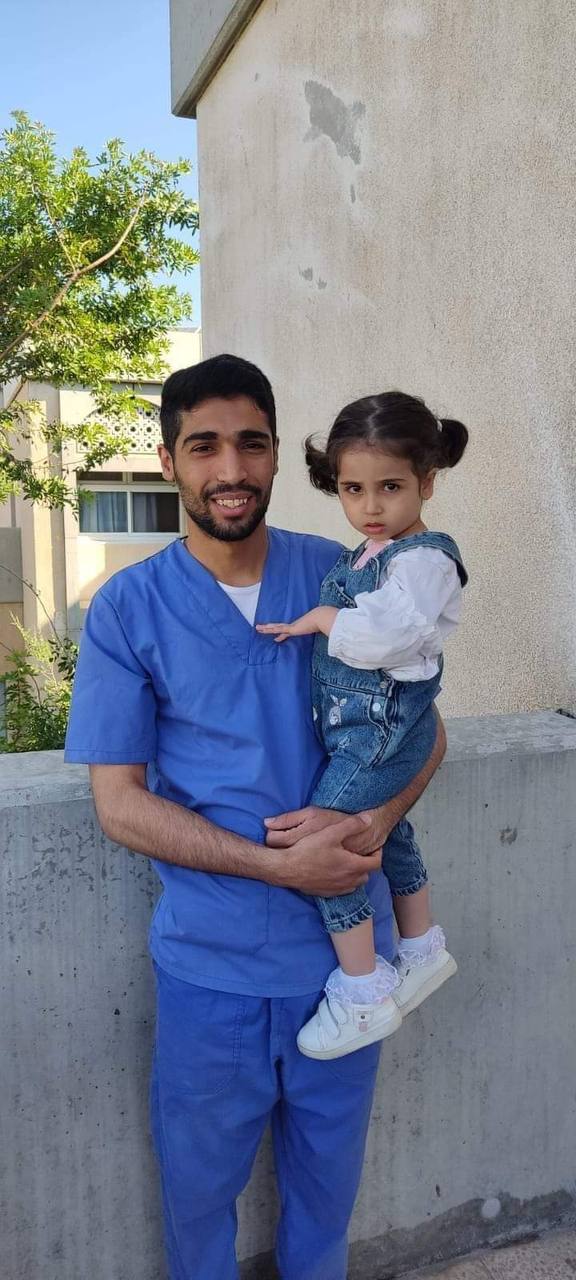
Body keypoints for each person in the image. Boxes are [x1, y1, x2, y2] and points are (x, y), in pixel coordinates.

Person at [65, 355, 446, 1280]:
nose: (230, 469)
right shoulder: (128, 609)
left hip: (347, 977)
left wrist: (375, 820)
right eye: (204, 446)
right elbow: (120, 804)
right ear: (168, 460)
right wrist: (279, 866)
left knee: (326, 1202)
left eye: (251, 443)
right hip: (212, 975)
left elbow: (427, 732)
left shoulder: (348, 573)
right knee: (198, 1206)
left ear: (277, 454)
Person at [257, 392, 468, 1059]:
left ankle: (363, 989)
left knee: (325, 848)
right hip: (362, 729)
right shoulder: (375, 551)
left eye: (390, 487)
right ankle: (421, 948)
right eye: (353, 489)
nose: (370, 506)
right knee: (391, 832)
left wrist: (322, 620)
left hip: (379, 734)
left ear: (427, 482)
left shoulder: (425, 560)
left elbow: (388, 636)